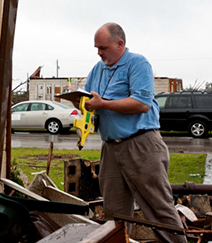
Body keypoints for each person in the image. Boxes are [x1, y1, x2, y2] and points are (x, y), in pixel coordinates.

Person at [83, 22, 187, 242]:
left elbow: (141, 104)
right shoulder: (97, 69)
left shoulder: (138, 64)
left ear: (119, 44)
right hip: (110, 147)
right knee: (115, 214)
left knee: (158, 208)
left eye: (103, 47)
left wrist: (103, 104)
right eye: (97, 48)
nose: (99, 53)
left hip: (141, 145)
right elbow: (88, 97)